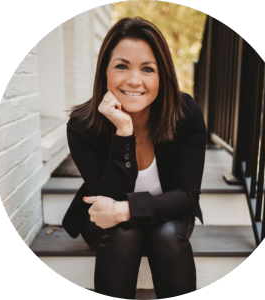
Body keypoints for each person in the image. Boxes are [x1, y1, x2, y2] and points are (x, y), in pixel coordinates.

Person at [62, 17, 206, 299]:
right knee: (122, 235)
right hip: (107, 224)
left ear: (162, 76)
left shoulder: (186, 114)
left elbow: (187, 197)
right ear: (105, 71)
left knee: (165, 235)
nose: (134, 80)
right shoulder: (82, 125)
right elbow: (106, 198)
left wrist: (125, 210)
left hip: (169, 216)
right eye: (121, 66)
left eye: (148, 69)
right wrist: (124, 131)